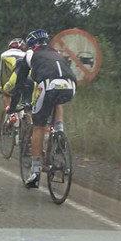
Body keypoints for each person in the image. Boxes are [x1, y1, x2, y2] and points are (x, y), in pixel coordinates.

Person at [7, 29, 77, 189]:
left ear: (30, 44)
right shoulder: (57, 52)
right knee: (56, 101)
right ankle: (59, 131)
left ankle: (35, 172)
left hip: (48, 84)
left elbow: (19, 84)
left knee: (38, 126)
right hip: (70, 85)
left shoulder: (30, 54)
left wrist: (12, 107)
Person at [0, 38, 27, 111]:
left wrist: (2, 86)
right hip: (31, 81)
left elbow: (3, 74)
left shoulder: (4, 54)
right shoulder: (28, 55)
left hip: (18, 77)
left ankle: (11, 115)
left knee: (6, 93)